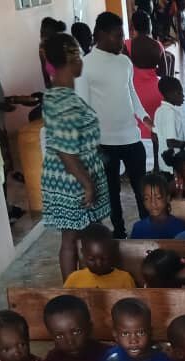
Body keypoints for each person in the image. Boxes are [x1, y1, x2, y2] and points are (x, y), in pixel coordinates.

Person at [40, 33, 112, 280]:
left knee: (75, 236)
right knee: (75, 237)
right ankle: (76, 288)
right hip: (73, 181)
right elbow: (66, 152)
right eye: (80, 55)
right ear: (73, 59)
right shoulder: (65, 101)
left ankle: (81, 285)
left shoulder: (57, 94)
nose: (82, 61)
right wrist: (88, 185)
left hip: (68, 177)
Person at [75, 12, 152, 240]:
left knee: (142, 188)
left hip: (130, 136)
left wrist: (144, 117)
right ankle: (119, 232)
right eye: (117, 37)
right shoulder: (85, 65)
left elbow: (132, 95)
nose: (121, 42)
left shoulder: (124, 62)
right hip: (104, 142)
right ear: (101, 35)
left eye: (122, 36)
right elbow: (84, 107)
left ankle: (147, 229)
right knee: (112, 191)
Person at [0, 29, 37, 220]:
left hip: (0, 125)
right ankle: (3, 211)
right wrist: (3, 104)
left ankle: (6, 207)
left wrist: (17, 99)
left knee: (5, 169)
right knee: (0, 170)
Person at [124, 10, 169, 143]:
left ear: (133, 26)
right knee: (156, 130)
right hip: (156, 92)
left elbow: (124, 70)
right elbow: (163, 72)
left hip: (135, 94)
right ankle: (156, 162)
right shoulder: (157, 45)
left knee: (137, 133)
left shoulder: (127, 45)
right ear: (149, 26)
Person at [65, 222, 136, 288]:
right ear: (82, 253)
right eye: (91, 259)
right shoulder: (74, 279)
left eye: (104, 258)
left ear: (111, 252)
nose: (99, 264)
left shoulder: (125, 279)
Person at [130, 174, 185, 239]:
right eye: (147, 198)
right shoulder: (138, 228)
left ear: (167, 198)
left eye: (158, 198)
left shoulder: (180, 227)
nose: (153, 203)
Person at [152, 77, 185, 171]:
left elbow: (155, 138)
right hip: (172, 165)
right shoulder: (171, 113)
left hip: (163, 164)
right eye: (180, 93)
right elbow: (170, 142)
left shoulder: (159, 111)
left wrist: (156, 164)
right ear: (170, 94)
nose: (183, 96)